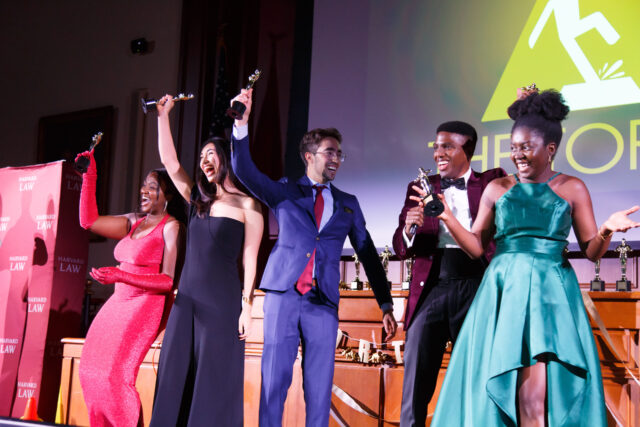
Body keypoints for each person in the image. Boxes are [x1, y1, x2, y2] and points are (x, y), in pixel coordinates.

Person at [424, 88, 640, 426]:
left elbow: (591, 251)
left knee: (535, 400)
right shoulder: (498, 188)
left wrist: (607, 229)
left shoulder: (572, 187)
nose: (517, 155)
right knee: (497, 391)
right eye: (513, 148)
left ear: (550, 149)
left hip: (549, 296)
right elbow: (477, 248)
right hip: (502, 293)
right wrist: (447, 217)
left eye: (526, 147)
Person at [229, 89, 397, 427]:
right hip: (283, 296)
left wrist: (386, 305)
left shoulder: (349, 202)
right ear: (309, 155)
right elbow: (245, 172)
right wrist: (241, 126)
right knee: (274, 385)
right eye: (329, 152)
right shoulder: (286, 190)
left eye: (340, 154)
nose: (336, 159)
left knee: (319, 392)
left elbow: (365, 252)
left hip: (323, 304)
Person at [149, 94, 263, 427]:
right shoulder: (196, 198)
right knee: (174, 376)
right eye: (200, 156)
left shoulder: (249, 206)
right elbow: (171, 164)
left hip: (222, 305)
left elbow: (251, 258)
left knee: (214, 380)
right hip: (186, 302)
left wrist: (247, 306)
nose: (202, 161)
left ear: (225, 157)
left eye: (209, 153)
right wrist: (162, 116)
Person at [392, 121, 506, 426]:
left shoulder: (492, 181)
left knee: (476, 376)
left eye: (447, 147)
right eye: (436, 146)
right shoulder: (419, 186)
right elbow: (401, 249)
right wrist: (408, 229)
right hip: (433, 286)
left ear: (467, 149)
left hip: (477, 285)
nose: (438, 153)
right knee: (415, 376)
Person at [76, 148, 185, 427]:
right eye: (144, 186)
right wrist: (90, 175)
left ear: (169, 195)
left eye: (153, 187)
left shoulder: (171, 227)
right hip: (117, 303)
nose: (144, 191)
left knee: (115, 377)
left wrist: (122, 277)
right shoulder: (133, 221)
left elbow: (167, 281)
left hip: (143, 306)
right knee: (90, 371)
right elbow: (88, 221)